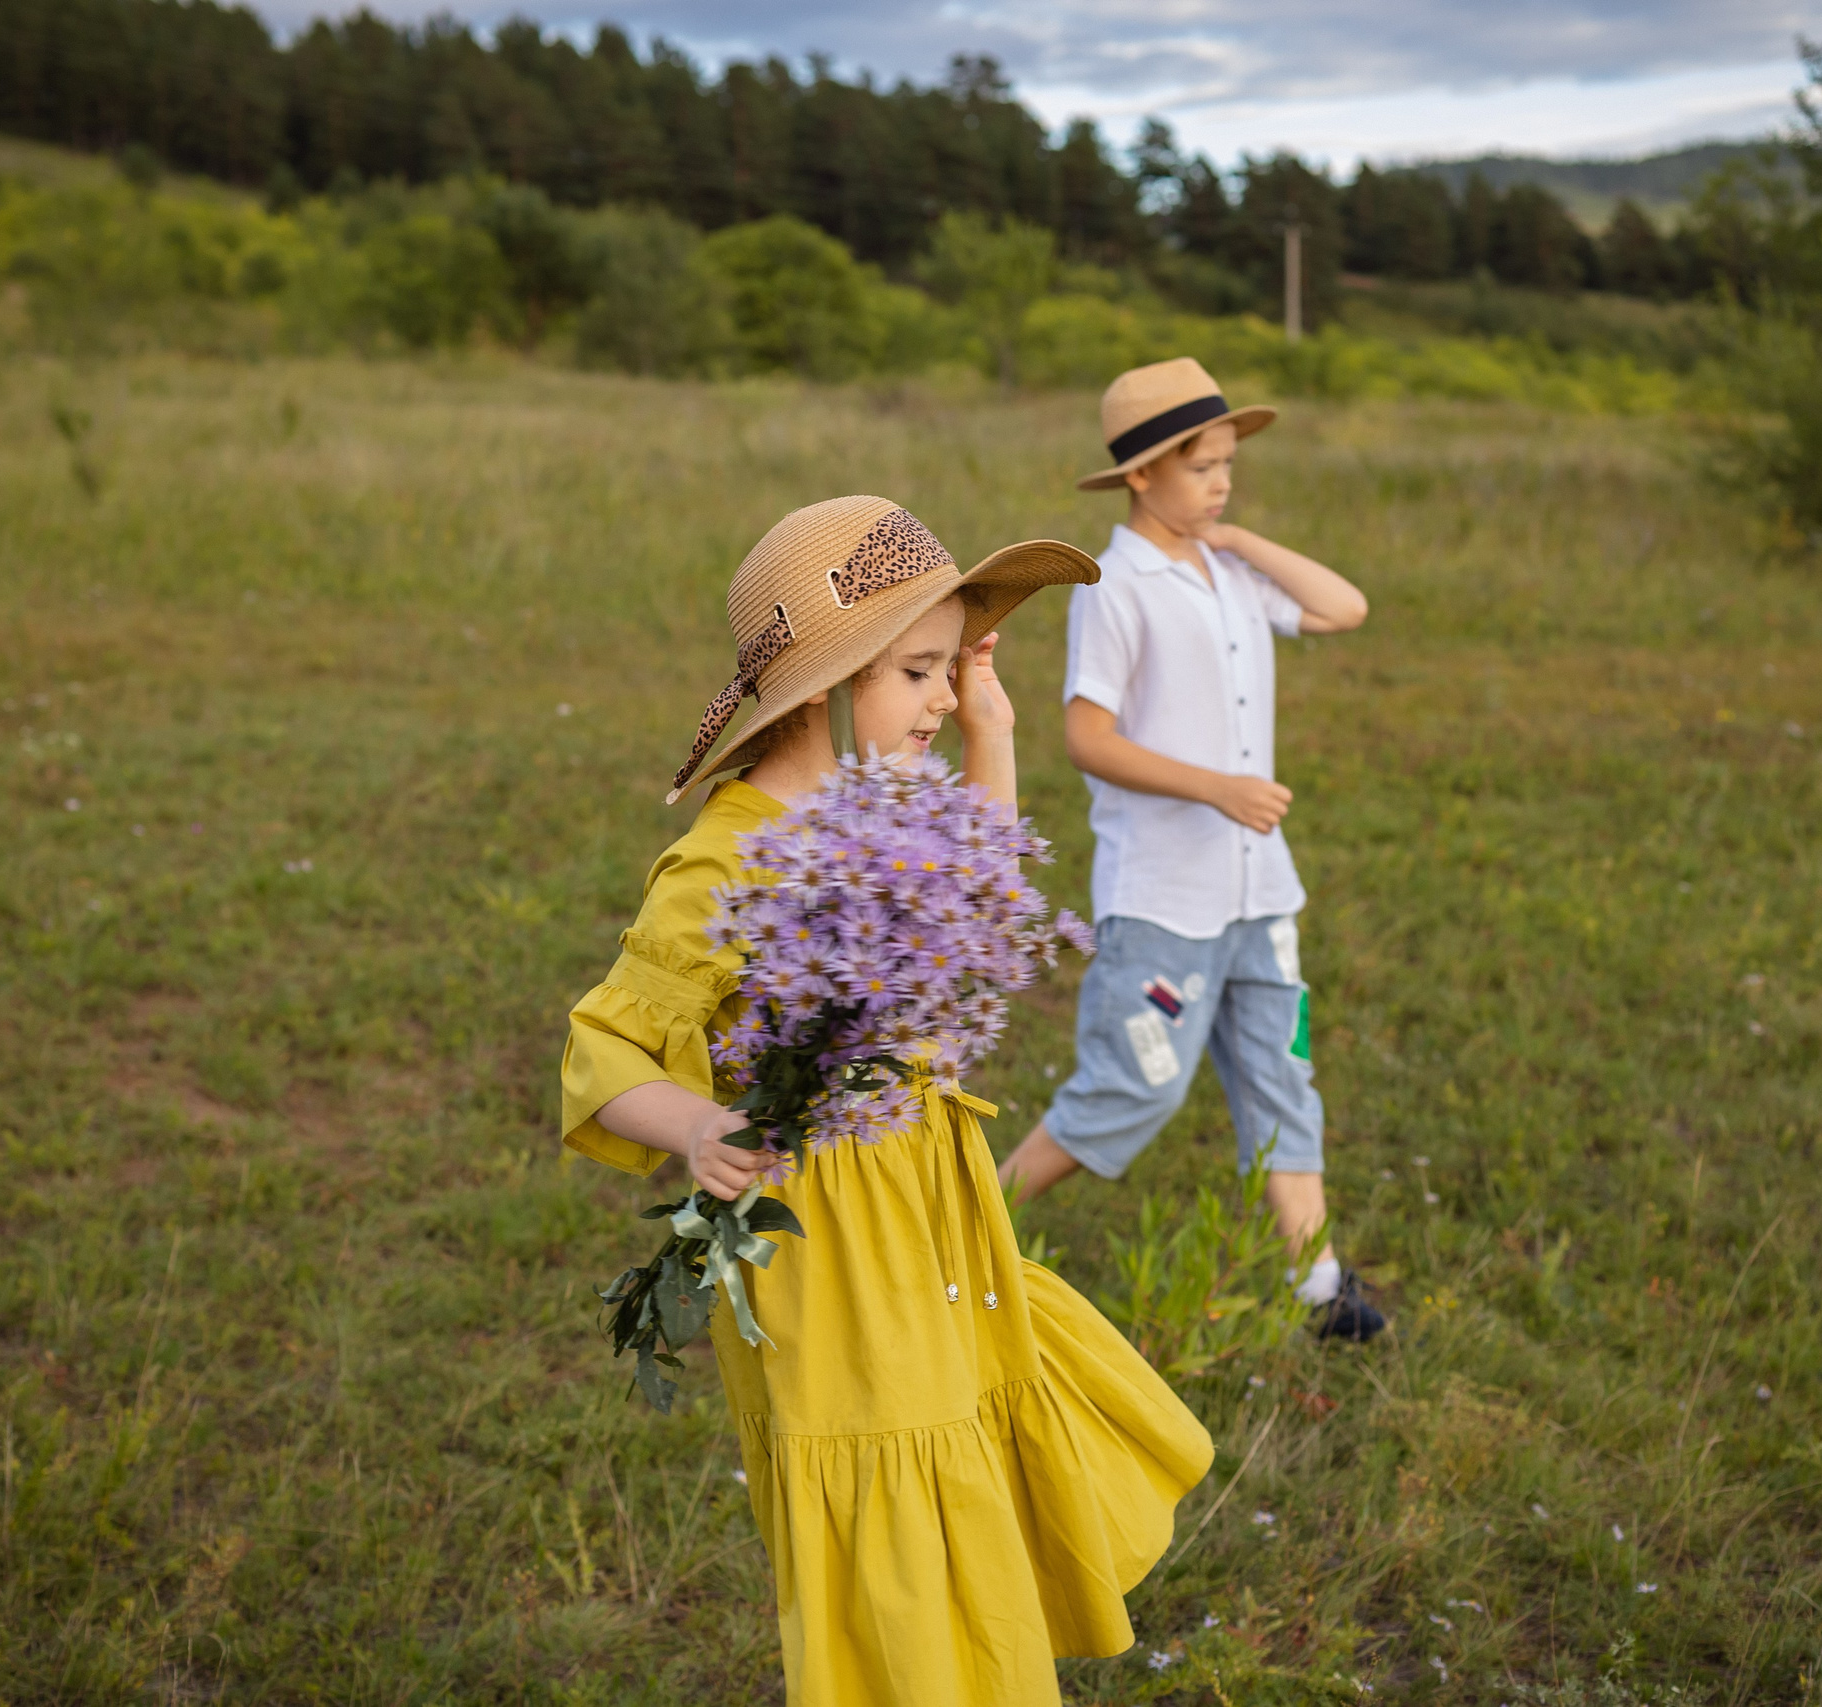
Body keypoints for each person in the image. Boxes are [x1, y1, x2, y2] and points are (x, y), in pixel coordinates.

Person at [560, 495, 1214, 1707]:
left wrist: (993, 738)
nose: (942, 697)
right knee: (898, 1505)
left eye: (950, 669)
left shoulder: (879, 804)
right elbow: (605, 1046)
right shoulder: (732, 855)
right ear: (823, 685)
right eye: (920, 671)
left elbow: (970, 912)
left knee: (967, 1451)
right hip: (832, 1244)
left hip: (931, 1204)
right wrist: (700, 1124)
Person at [995, 358, 1386, 1342]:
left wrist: (1235, 538)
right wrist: (1215, 787)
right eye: (1200, 468)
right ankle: (965, 1224)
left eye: (1227, 465)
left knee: (1280, 1077)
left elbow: (1345, 609)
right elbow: (1088, 737)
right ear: (1139, 476)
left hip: (1259, 893)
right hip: (1164, 900)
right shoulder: (1115, 584)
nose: (1220, 482)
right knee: (1134, 1088)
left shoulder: (1231, 570)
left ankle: (1319, 1286)